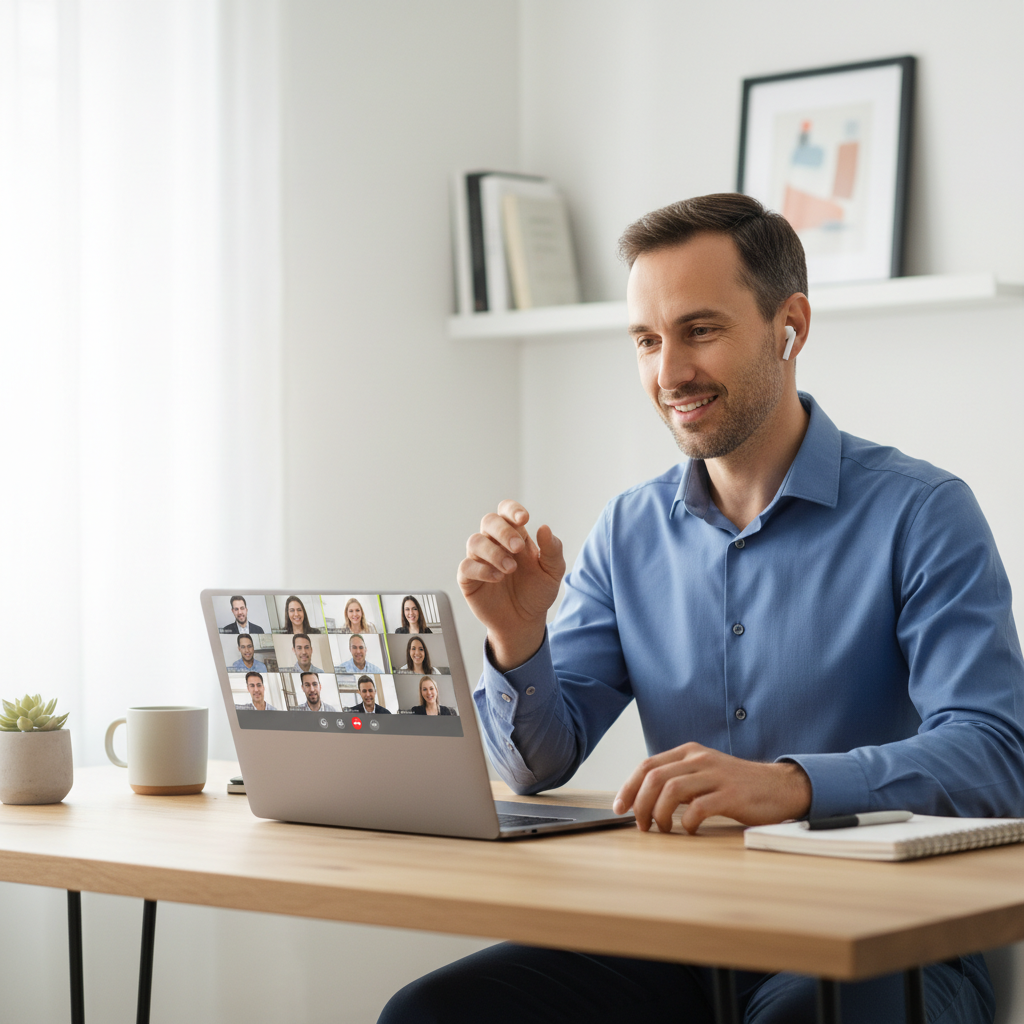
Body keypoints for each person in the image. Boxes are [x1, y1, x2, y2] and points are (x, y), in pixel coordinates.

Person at [381, 194, 1019, 1024]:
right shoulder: (626, 530)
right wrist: (515, 635)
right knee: (433, 1013)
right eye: (647, 340)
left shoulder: (924, 513)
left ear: (789, 325)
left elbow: (994, 756)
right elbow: (539, 765)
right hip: (679, 935)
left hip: (888, 940)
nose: (669, 372)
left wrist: (792, 786)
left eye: (700, 330)